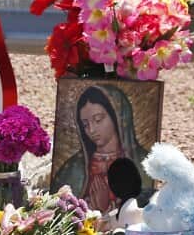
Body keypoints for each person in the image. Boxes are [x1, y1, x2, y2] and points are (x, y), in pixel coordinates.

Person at [53, 84, 151, 212]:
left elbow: (146, 212)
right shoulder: (74, 168)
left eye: (98, 120)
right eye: (85, 124)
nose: (91, 130)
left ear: (117, 117)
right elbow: (58, 211)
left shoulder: (145, 164)